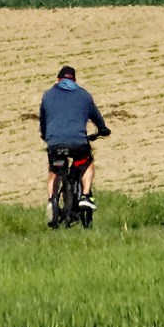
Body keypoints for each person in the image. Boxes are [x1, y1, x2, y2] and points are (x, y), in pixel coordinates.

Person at [39, 64, 112, 226]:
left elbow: (43, 121)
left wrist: (45, 136)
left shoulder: (48, 95)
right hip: (77, 143)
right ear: (74, 80)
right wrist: (102, 129)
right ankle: (85, 196)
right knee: (86, 162)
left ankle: (52, 201)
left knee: (54, 170)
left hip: (54, 143)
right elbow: (97, 117)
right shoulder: (84, 96)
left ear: (58, 80)